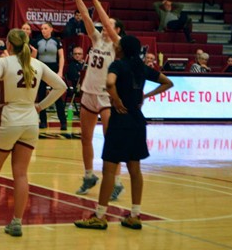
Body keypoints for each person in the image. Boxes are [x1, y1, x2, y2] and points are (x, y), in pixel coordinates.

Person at [0, 28, 66, 237]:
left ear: (8, 44)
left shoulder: (3, 62)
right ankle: (17, 222)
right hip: (31, 120)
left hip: (9, 117)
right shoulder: (37, 64)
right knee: (21, 174)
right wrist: (40, 106)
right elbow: (61, 86)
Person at [74, 35, 173, 230]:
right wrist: (145, 95)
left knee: (109, 170)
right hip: (138, 120)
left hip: (120, 119)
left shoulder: (117, 65)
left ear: (123, 49)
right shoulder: (142, 68)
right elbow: (167, 82)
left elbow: (110, 83)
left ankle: (100, 216)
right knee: (135, 169)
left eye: (118, 45)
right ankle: (135, 215)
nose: (116, 46)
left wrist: (116, 99)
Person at [60, 0, 125, 199]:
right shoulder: (97, 39)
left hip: (107, 97)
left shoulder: (118, 46)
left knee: (111, 139)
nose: (105, 27)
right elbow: (87, 17)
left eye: (110, 26)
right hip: (88, 93)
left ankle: (116, 181)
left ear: (117, 31)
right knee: (85, 138)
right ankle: (89, 175)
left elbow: (104, 22)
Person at [33, 22, 66, 130]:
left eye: (45, 28)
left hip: (54, 70)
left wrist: (60, 71)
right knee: (41, 95)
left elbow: (61, 57)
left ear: (51, 29)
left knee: (57, 97)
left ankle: (63, 122)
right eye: (42, 28)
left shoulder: (56, 41)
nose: (43, 30)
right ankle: (43, 122)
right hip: (41, 70)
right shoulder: (37, 41)